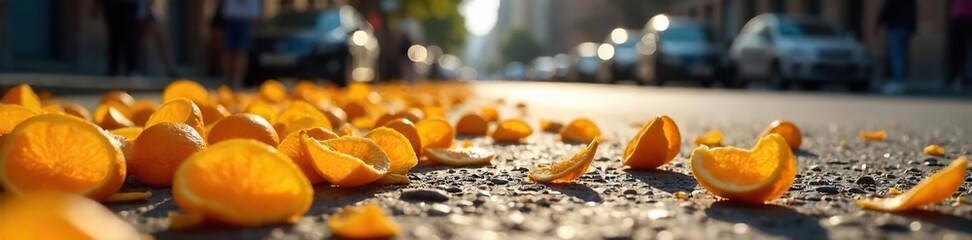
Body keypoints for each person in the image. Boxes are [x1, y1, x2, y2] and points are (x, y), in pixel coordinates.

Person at [876, 0, 917, 95]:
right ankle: (902, 80)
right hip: (906, 26)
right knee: (901, 55)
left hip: (896, 26)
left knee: (896, 55)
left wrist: (878, 24)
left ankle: (898, 81)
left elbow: (887, 7)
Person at [92, 0, 142, 77]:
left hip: (128, 4)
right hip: (113, 4)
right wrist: (95, 5)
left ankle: (130, 69)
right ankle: (114, 70)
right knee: (115, 37)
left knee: (129, 36)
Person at [221, 0, 262, 89]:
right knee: (228, 52)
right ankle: (228, 80)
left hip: (247, 19)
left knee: (242, 53)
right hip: (231, 18)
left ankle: (237, 81)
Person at [138, 0, 180, 78]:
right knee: (139, 42)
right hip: (138, 11)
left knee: (160, 39)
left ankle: (170, 68)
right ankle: (139, 69)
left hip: (149, 11)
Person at [947, 0, 972, 89]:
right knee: (956, 50)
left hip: (966, 18)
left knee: (965, 51)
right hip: (958, 18)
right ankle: (956, 76)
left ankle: (964, 77)